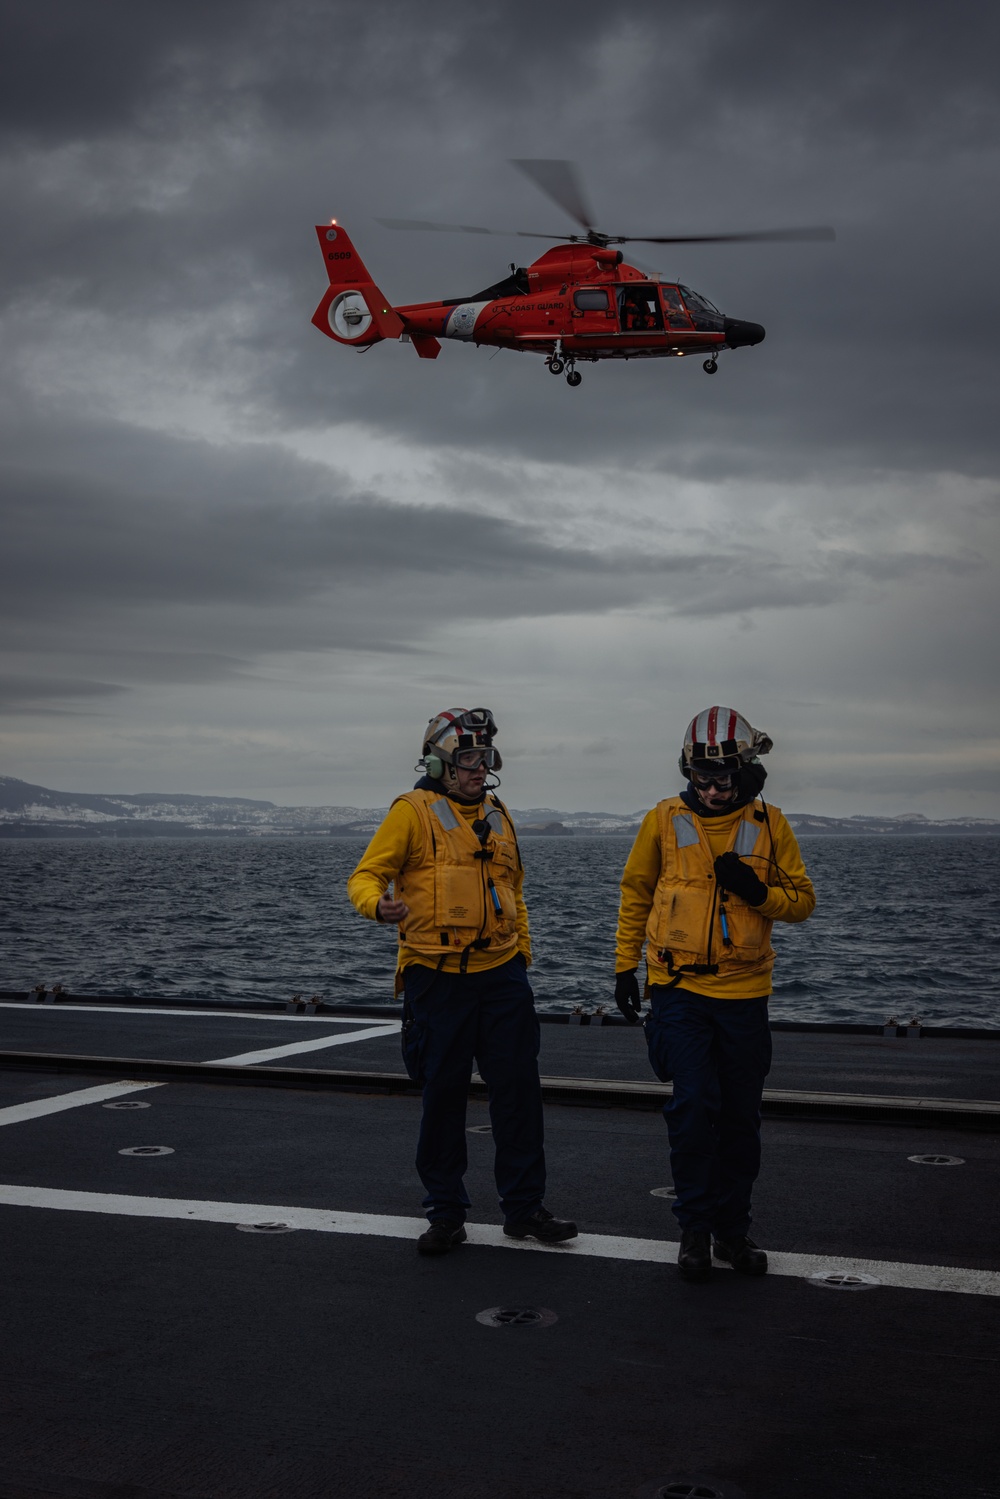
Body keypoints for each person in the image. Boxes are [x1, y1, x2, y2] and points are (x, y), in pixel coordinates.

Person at [347, 707, 577, 1256]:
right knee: (443, 1098)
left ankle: (524, 1209)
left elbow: (513, 890)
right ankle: (445, 1213)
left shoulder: (498, 814)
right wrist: (376, 907)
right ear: (440, 763)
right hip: (438, 979)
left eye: (486, 758)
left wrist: (521, 954)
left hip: (502, 978)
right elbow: (365, 875)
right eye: (469, 759)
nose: (480, 769)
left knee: (518, 1096)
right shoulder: (411, 812)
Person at [613, 707, 815, 1282]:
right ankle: (694, 1231)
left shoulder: (771, 825)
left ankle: (733, 1231)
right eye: (700, 779)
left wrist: (758, 892)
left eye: (722, 779)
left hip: (746, 995)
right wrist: (626, 969)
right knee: (693, 1105)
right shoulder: (661, 820)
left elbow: (802, 902)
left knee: (740, 1118)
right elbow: (636, 894)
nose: (711, 790)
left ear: (745, 772)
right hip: (678, 991)